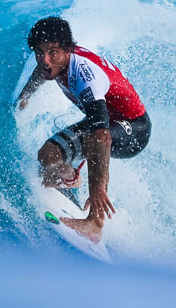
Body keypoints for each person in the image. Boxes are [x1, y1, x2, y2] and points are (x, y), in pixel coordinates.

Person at [15, 16, 151, 242]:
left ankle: (94, 223)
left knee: (94, 139)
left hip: (135, 129)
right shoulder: (55, 63)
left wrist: (97, 189)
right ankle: (70, 177)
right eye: (40, 53)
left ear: (68, 50)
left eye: (52, 53)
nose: (45, 60)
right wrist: (24, 98)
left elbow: (102, 136)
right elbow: (41, 72)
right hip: (108, 123)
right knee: (48, 156)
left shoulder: (83, 76)